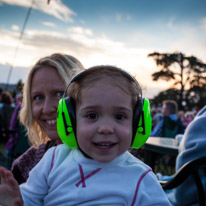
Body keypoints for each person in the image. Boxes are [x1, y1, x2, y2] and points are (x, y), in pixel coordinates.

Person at [0, 65, 170, 206]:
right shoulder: (53, 160)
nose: (105, 128)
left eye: (120, 116)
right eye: (92, 115)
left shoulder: (141, 177)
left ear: (137, 123)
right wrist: (14, 200)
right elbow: (30, 200)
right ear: (71, 122)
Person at [10, 53, 85, 184]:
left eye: (59, 94)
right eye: (38, 97)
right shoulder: (24, 168)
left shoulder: (119, 158)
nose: (47, 108)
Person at [157, 105, 206, 205]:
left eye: (164, 108)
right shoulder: (178, 120)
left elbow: (156, 132)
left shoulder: (200, 122)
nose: (162, 110)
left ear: (168, 110)